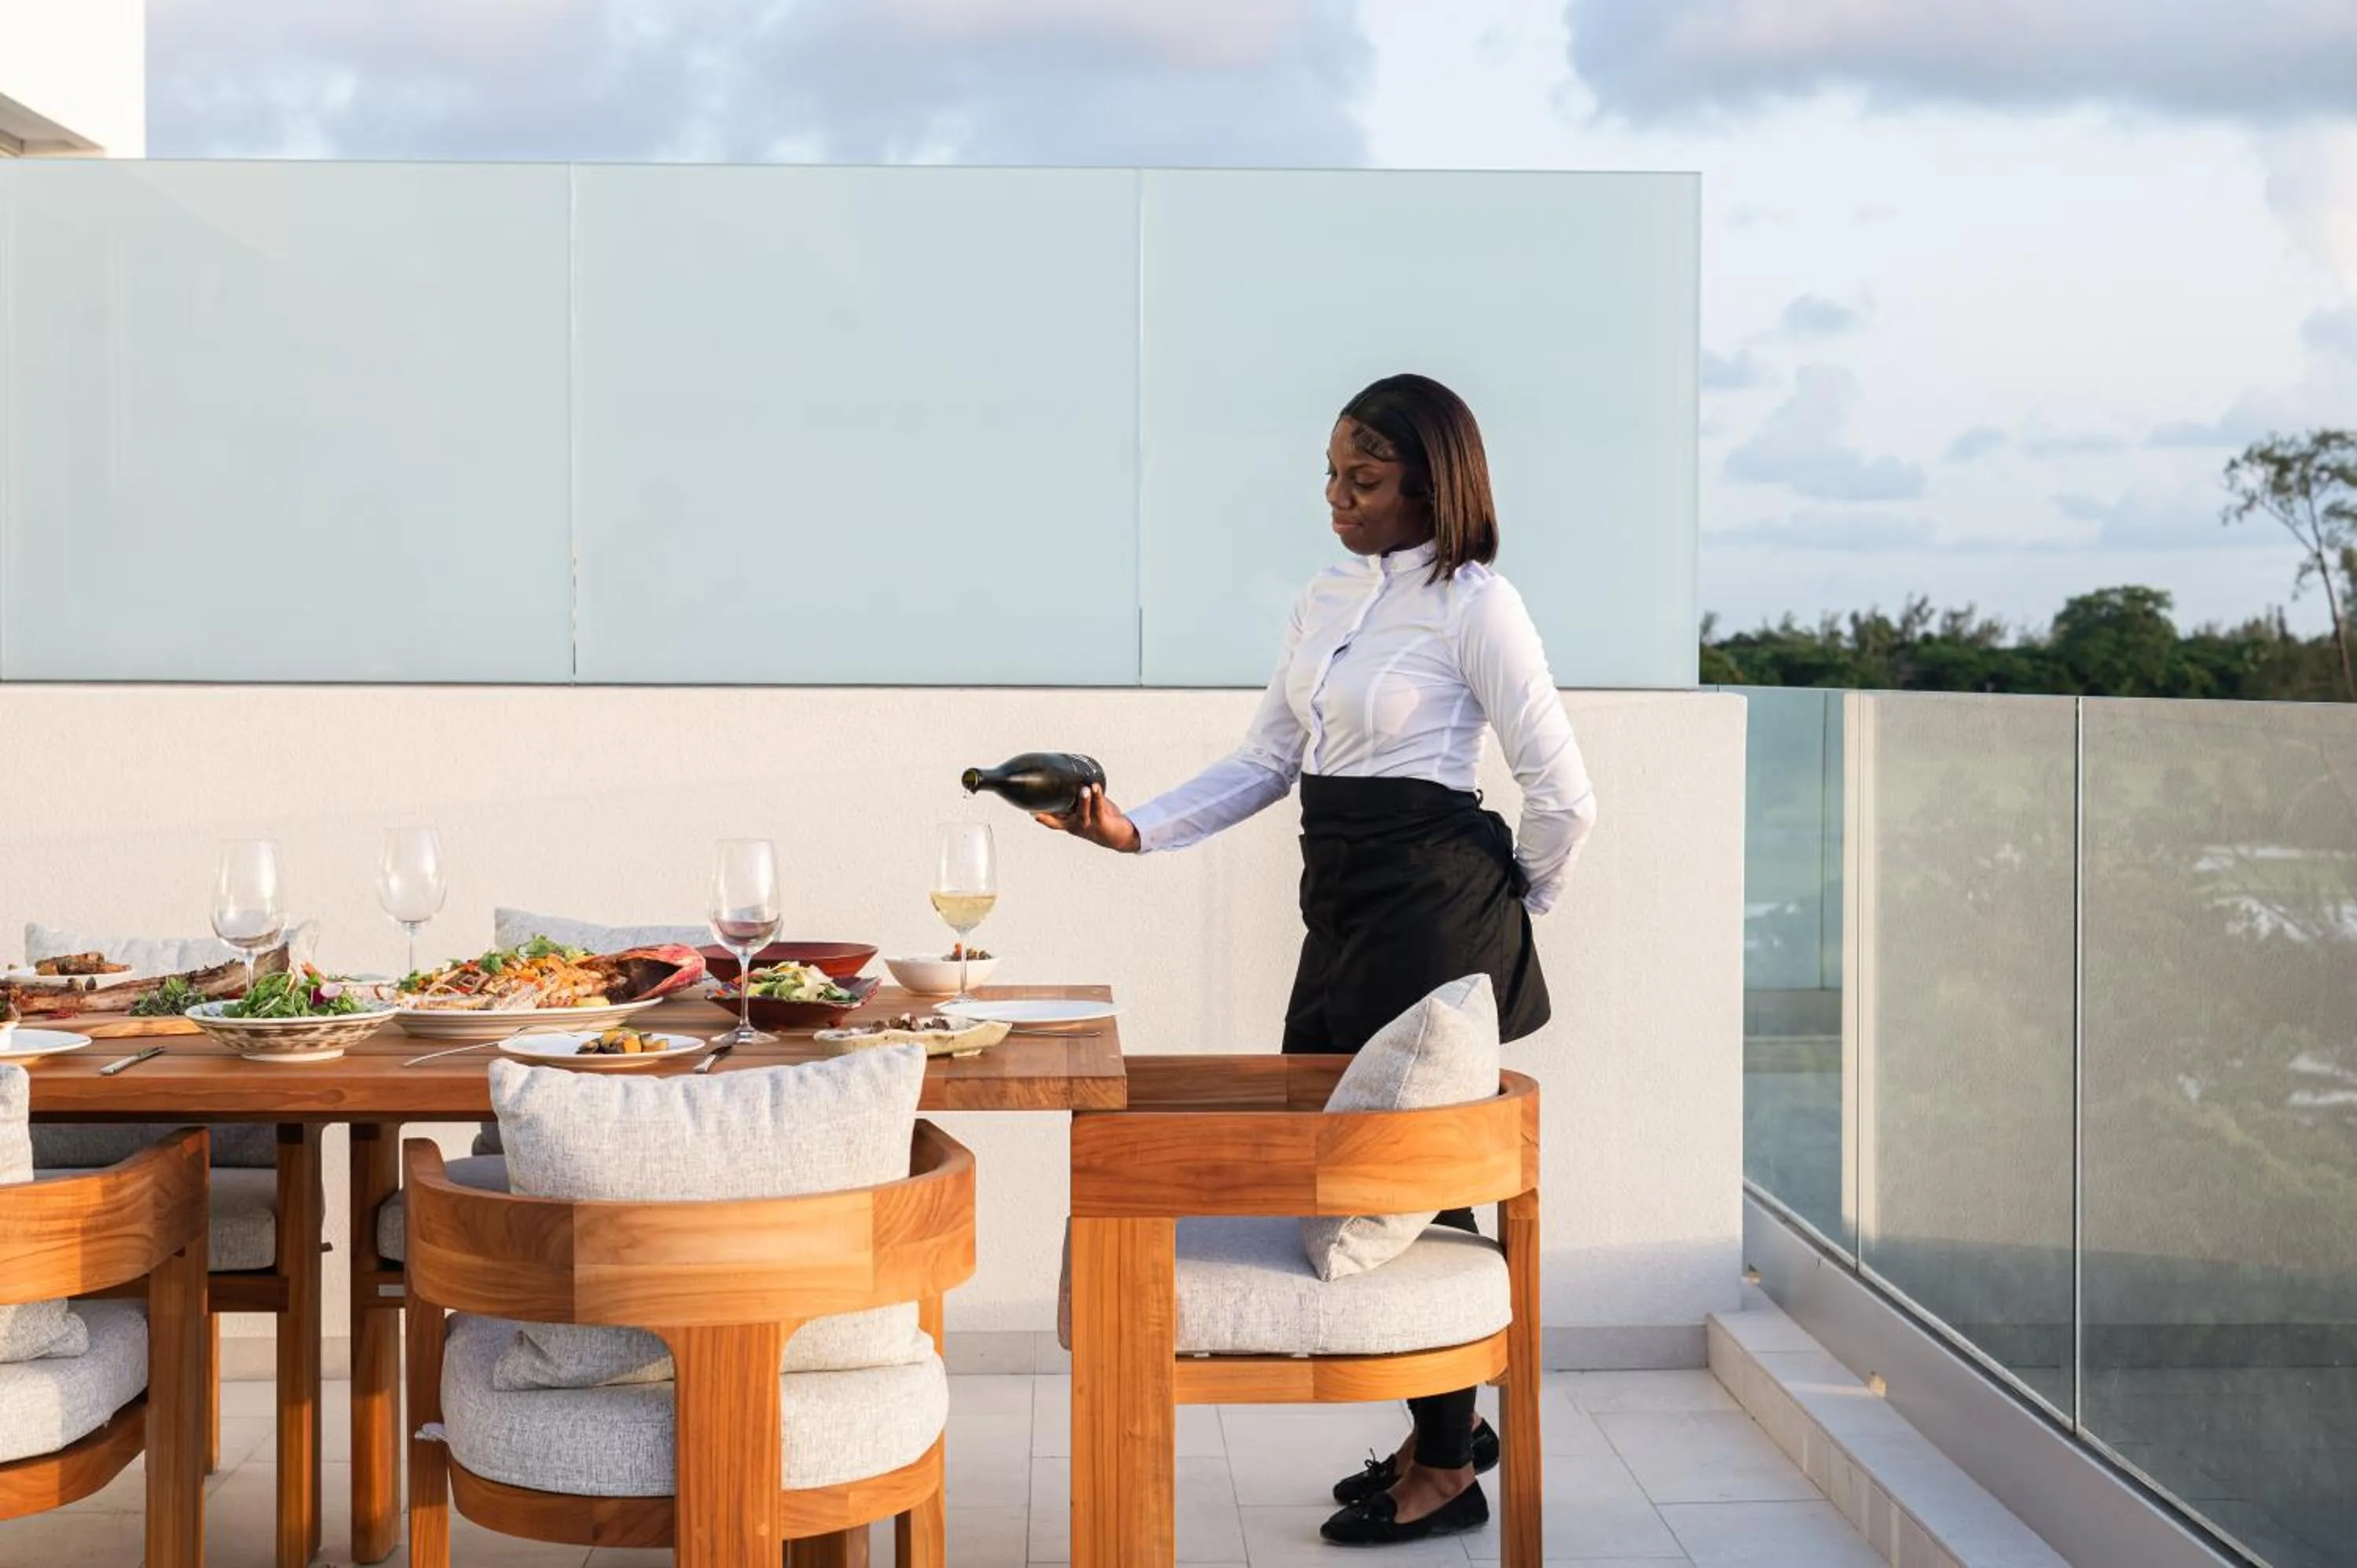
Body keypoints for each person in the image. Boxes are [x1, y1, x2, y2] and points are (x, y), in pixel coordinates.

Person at [1039, 372, 1599, 1544]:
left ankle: (1446, 1466)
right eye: (1332, 474)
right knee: (1369, 1178)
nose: (1338, 497)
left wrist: (1513, 909)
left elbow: (1564, 794)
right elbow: (1266, 759)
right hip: (1342, 901)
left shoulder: (1477, 606)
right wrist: (1131, 828)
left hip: (1439, 908)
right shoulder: (1325, 597)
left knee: (1401, 1169)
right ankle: (1444, 1435)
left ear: (1432, 483)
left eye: (1366, 476)